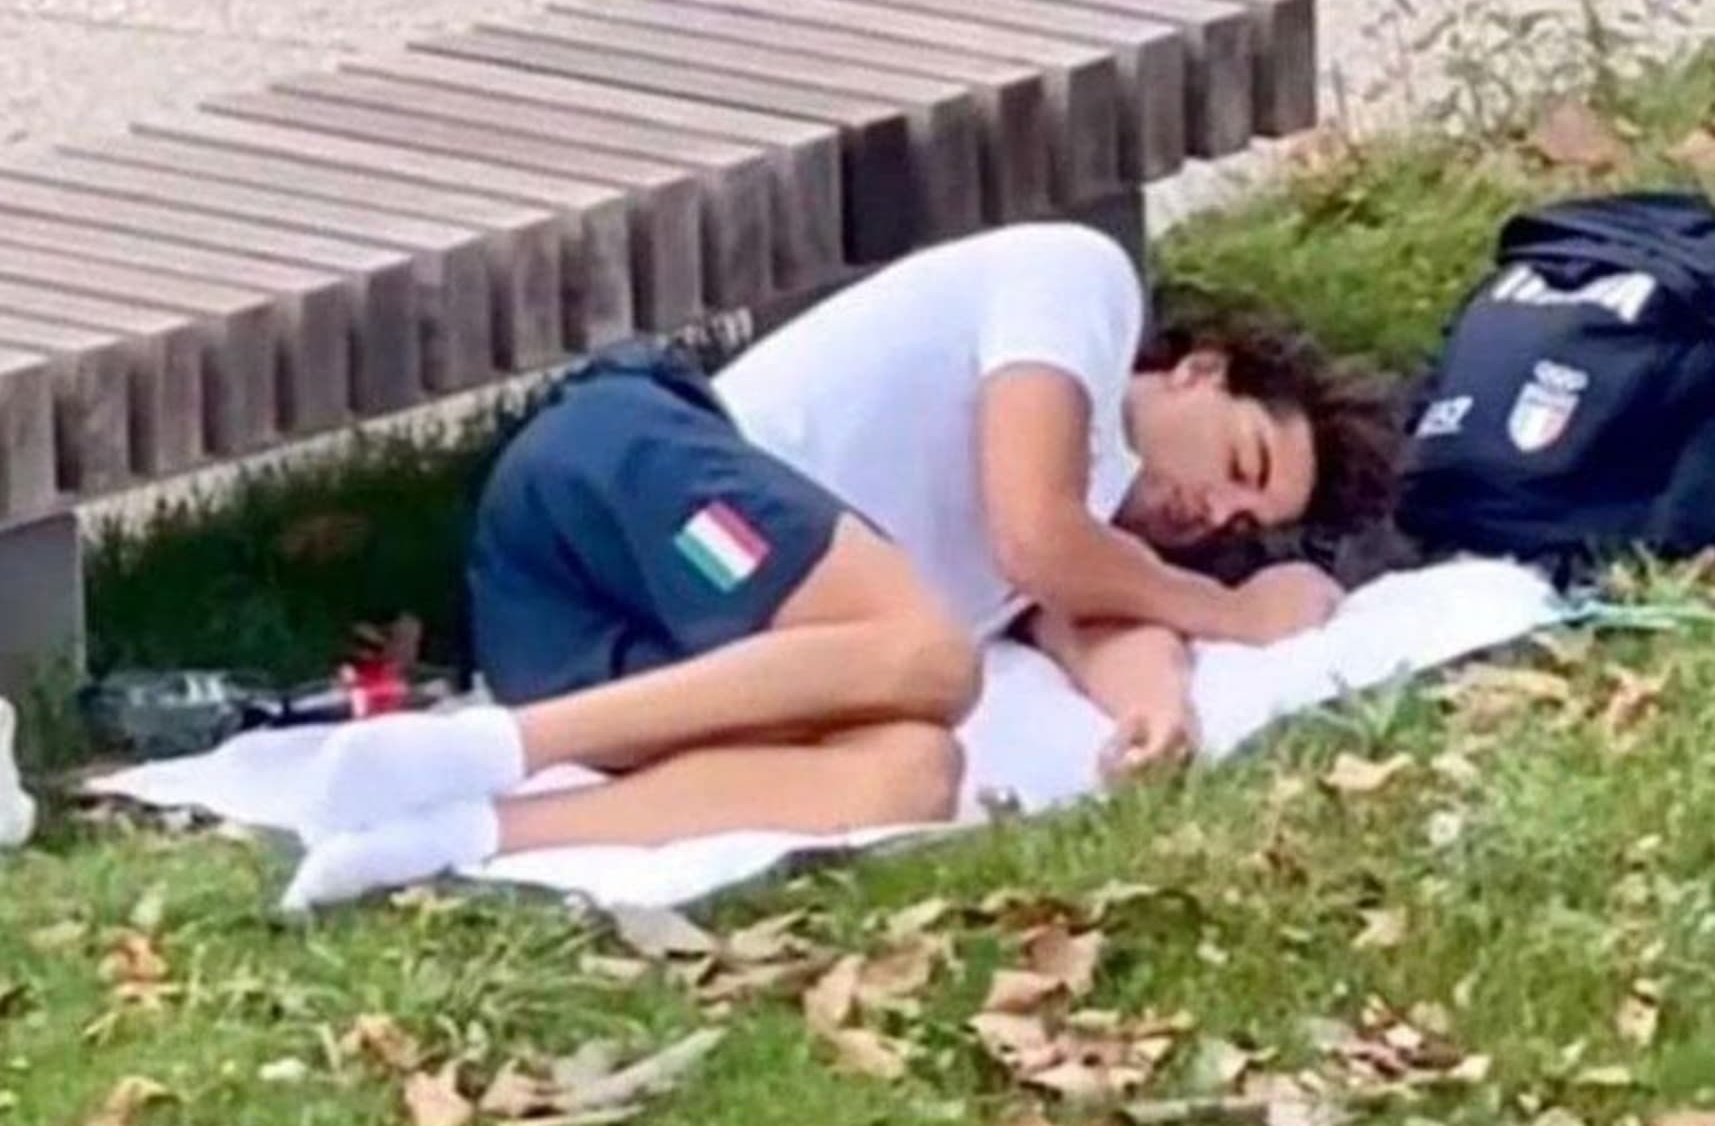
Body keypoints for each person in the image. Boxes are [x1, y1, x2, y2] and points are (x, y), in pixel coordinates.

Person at [277, 223, 1400, 910]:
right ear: (1200, 371)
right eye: (1243, 462)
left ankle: (445, 834)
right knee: (933, 661)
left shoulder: (1095, 526)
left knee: (912, 770)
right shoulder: (1079, 287)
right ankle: (490, 747)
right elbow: (1040, 538)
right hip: (626, 484)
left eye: (1239, 524)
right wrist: (1229, 609)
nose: (1213, 509)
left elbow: (1089, 608)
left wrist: (1158, 710)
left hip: (630, 659)